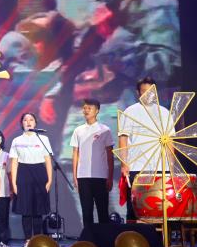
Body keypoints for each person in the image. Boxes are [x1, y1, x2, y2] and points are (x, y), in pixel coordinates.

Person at [118, 77, 175, 222]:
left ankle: (161, 236)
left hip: (161, 167)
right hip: (137, 167)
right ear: (138, 93)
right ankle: (134, 235)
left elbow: (170, 142)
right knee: (135, 207)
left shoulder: (164, 113)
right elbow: (123, 139)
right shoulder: (130, 112)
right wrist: (124, 164)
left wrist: (172, 166)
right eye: (144, 91)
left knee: (160, 206)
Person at [10, 113, 53, 247]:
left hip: (40, 173)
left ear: (35, 123)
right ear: (21, 123)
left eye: (31, 120)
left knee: (38, 210)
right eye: (25, 120)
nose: (28, 122)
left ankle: (38, 241)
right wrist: (14, 183)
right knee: (26, 210)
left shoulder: (43, 139)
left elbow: (48, 160)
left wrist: (50, 180)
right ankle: (28, 241)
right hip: (23, 173)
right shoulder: (17, 140)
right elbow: (14, 162)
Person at [70, 98, 115, 231]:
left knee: (103, 211)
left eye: (89, 108)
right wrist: (75, 176)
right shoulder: (78, 130)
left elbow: (110, 155)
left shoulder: (105, 130)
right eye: (84, 108)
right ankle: (89, 239)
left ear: (97, 111)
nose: (86, 110)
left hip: (101, 176)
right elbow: (75, 154)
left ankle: (104, 240)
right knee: (87, 211)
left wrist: (110, 177)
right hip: (83, 177)